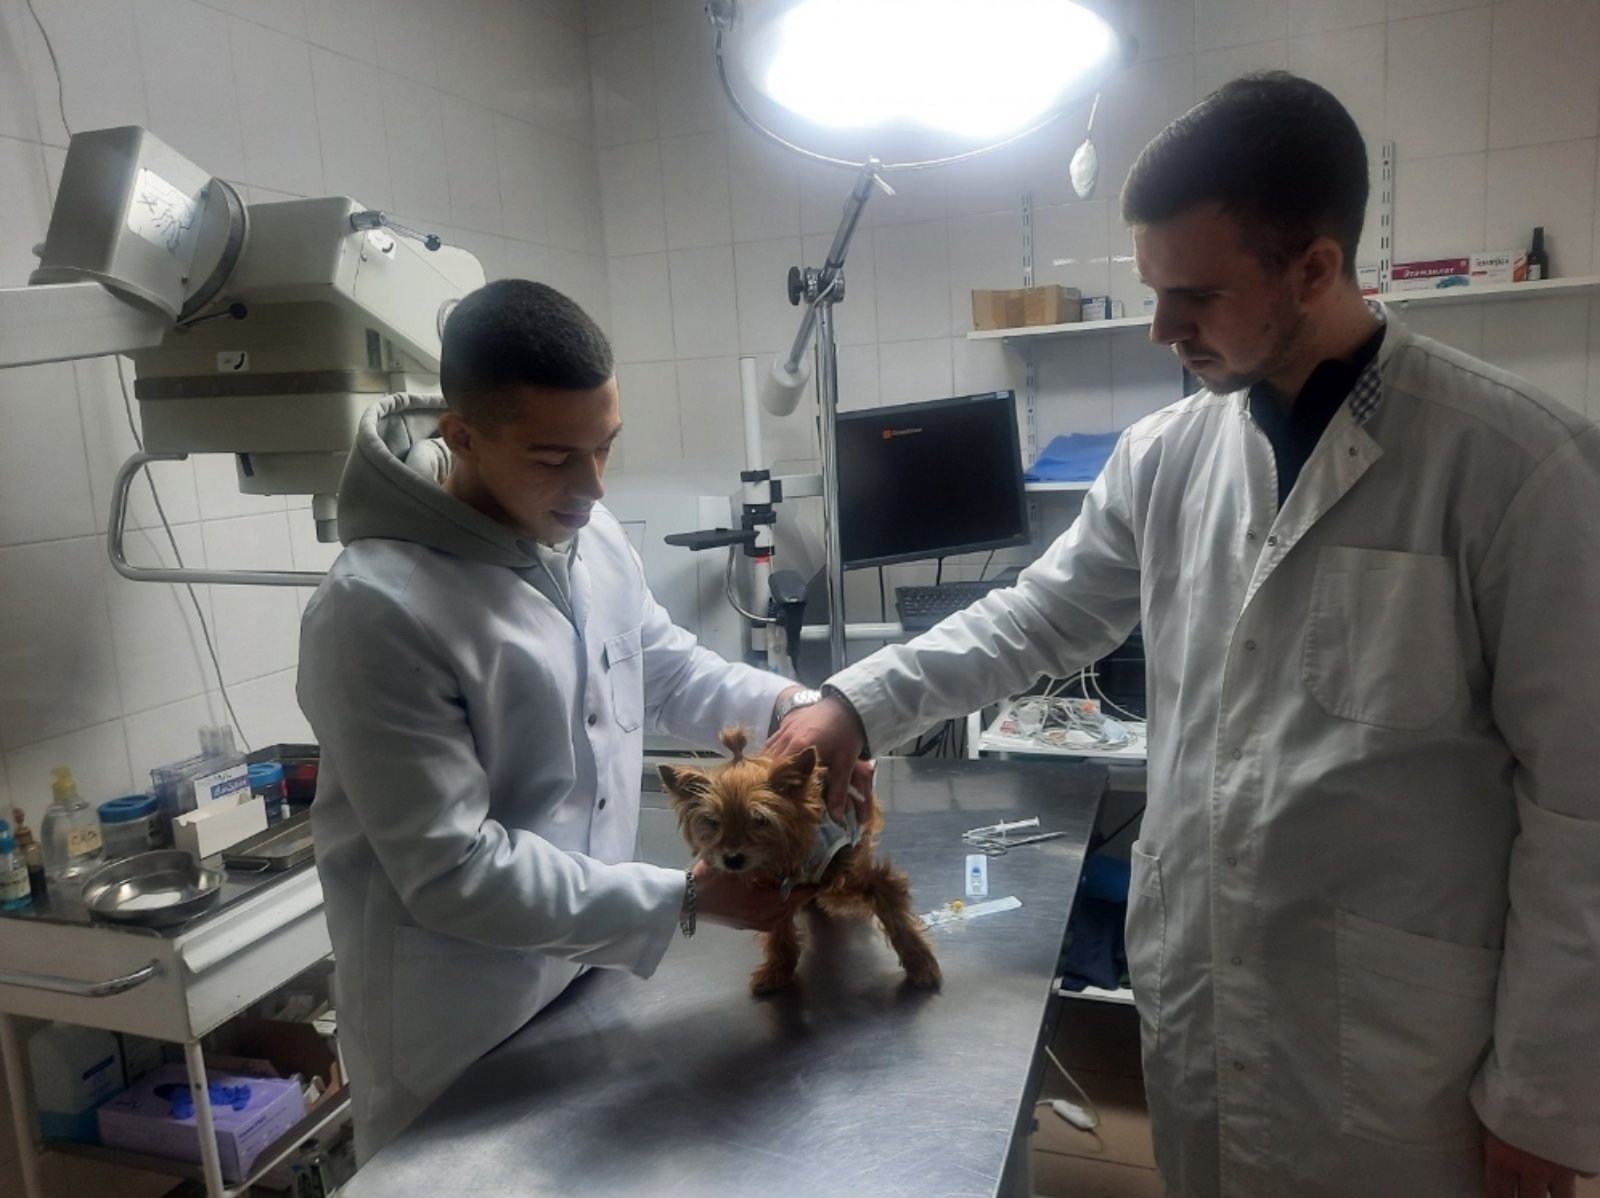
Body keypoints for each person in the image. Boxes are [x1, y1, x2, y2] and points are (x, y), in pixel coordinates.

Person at [768, 72, 1600, 1197]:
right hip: (1205, 1007)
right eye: (1154, 291)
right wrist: (854, 704)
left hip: (1406, 1054)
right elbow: (1038, 614)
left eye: (1196, 296)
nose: (1163, 329)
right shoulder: (1166, 456)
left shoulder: (1519, 467)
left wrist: (1546, 1097)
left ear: (1314, 268)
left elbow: (1582, 812)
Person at [298, 279, 815, 1161]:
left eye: (605, 446)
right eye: (554, 458)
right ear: (462, 435)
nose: (592, 485)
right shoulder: (378, 608)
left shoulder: (588, 537)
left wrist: (791, 708)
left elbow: (664, 668)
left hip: (585, 983)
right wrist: (685, 899)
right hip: (458, 1030)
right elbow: (452, 869)